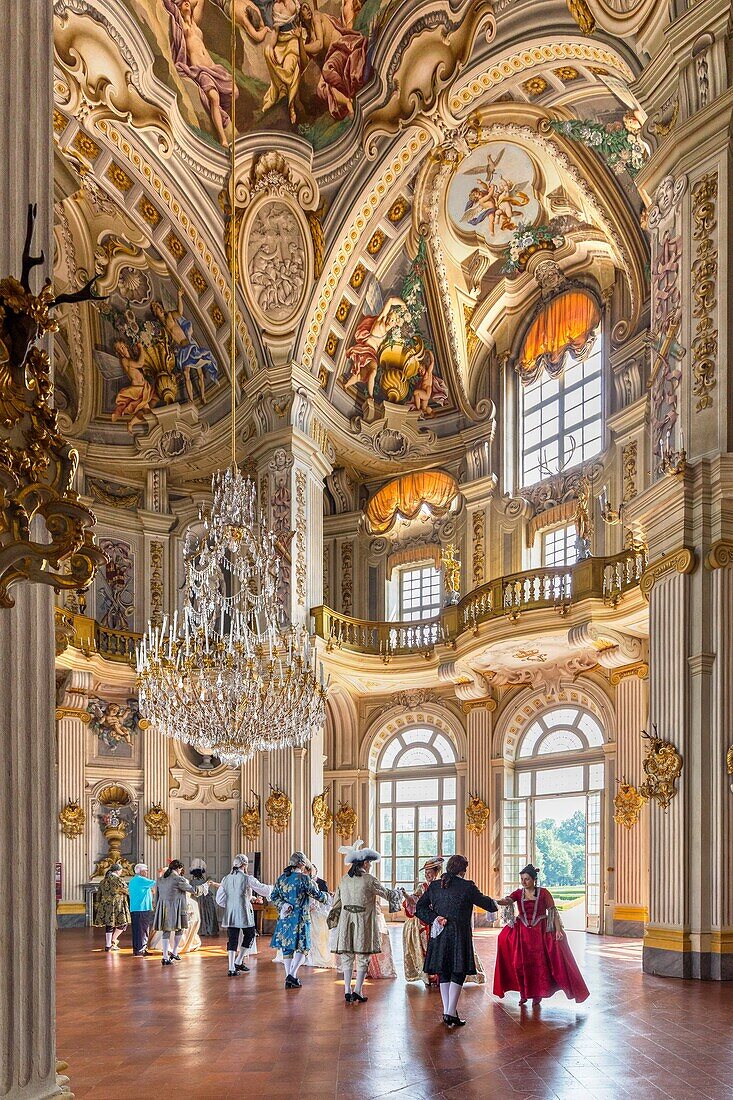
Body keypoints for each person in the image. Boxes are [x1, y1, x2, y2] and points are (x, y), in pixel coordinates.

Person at [415, 853, 497, 1027]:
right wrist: (497, 902)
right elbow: (487, 904)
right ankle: (450, 1012)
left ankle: (448, 1011)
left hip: (440, 934)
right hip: (459, 934)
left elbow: (419, 908)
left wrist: (435, 918)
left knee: (444, 971)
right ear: (463, 870)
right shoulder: (467, 887)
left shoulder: (436, 886)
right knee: (458, 972)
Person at [493, 863, 590, 1007]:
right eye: (522, 879)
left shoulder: (544, 893)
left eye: (526, 879)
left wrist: (557, 930)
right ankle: (524, 994)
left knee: (540, 965)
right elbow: (508, 900)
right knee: (519, 963)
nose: (523, 882)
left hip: (541, 933)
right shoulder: (519, 893)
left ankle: (537, 995)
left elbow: (552, 912)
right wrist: (494, 902)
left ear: (534, 880)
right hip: (522, 933)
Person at [327, 839, 403, 1004]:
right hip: (363, 921)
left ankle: (347, 990)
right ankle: (358, 990)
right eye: (369, 862)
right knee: (362, 956)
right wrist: (398, 892)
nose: (370, 865)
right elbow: (387, 894)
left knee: (347, 955)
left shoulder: (344, 879)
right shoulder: (369, 879)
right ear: (365, 863)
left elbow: (337, 903)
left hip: (346, 921)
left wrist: (334, 921)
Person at [163, 0, 236, 146]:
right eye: (183, 3)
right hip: (201, 70)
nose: (187, 3)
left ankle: (220, 115)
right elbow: (170, 5)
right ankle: (222, 138)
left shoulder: (195, 24)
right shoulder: (182, 25)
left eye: (187, 2)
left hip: (213, 68)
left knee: (234, 92)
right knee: (214, 98)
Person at [271, 852, 328, 988]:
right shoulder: (304, 878)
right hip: (301, 918)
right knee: (303, 948)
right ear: (301, 864)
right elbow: (317, 895)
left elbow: (273, 896)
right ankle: (292, 975)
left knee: (287, 948)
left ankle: (289, 976)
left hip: (285, 919)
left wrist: (284, 905)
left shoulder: (282, 878)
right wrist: (327, 897)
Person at [216, 854, 272, 977]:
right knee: (250, 935)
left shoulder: (226, 879)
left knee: (232, 939)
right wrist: (274, 888)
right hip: (244, 912)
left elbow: (219, 899)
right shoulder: (247, 878)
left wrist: (232, 904)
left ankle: (232, 967)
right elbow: (263, 889)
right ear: (244, 865)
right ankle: (239, 960)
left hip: (230, 912)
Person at [152, 859, 204, 966]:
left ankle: (165, 957)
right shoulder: (178, 879)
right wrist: (205, 886)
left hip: (163, 907)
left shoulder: (161, 879)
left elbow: (157, 896)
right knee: (179, 929)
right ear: (179, 868)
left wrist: (158, 908)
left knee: (166, 932)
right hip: (177, 908)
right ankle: (175, 951)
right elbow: (193, 890)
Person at [403, 856, 444, 985]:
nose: (427, 875)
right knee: (425, 949)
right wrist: (405, 896)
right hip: (424, 922)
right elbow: (414, 901)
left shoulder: (442, 885)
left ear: (436, 872)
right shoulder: (422, 887)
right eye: (426, 873)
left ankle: (440, 974)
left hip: (439, 920)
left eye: (429, 873)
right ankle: (429, 975)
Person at [94, 863, 131, 952]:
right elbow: (127, 891)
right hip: (117, 905)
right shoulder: (118, 880)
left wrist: (98, 904)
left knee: (109, 924)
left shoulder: (103, 881)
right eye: (121, 870)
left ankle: (108, 945)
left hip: (105, 905)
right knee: (123, 923)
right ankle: (113, 940)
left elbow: (98, 895)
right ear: (118, 870)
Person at [128, 863, 156, 957]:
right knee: (143, 930)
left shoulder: (133, 880)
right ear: (141, 871)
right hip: (142, 908)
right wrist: (162, 874)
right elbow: (156, 882)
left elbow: (149, 889)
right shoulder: (141, 879)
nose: (147, 872)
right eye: (146, 870)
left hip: (135, 908)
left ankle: (137, 949)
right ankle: (141, 950)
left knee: (137, 930)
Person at [190, 862, 219, 937]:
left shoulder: (192, 882)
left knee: (199, 913)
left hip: (197, 899)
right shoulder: (204, 881)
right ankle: (209, 929)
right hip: (206, 899)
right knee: (207, 913)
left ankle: (200, 929)